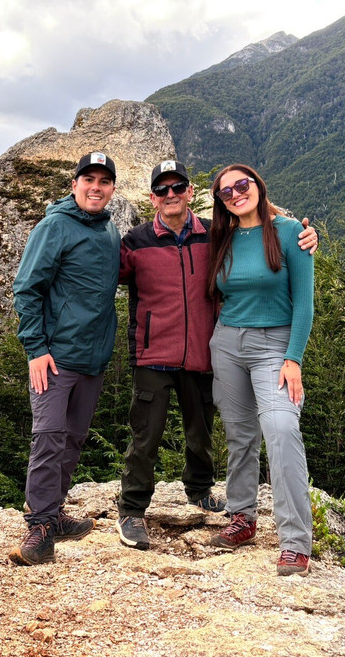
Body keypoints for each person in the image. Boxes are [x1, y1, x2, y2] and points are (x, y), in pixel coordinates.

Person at [116, 160, 317, 550]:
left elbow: (276, 250)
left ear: (191, 193)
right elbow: (100, 273)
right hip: (170, 351)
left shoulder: (216, 234)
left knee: (231, 431)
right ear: (154, 197)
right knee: (159, 436)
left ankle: (219, 501)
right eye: (163, 189)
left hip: (222, 350)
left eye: (179, 188)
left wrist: (308, 237)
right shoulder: (140, 240)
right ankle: (140, 510)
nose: (171, 195)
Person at [9, 151, 121, 566]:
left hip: (92, 358)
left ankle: (54, 513)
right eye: (88, 179)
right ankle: (39, 526)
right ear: (74, 185)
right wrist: (35, 349)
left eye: (104, 181)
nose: (96, 187)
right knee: (49, 436)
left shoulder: (109, 229)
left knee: (72, 439)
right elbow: (27, 289)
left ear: (111, 189)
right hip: (55, 359)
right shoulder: (55, 225)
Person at [205, 163, 315, 577]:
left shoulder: (289, 233)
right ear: (220, 202)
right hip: (228, 343)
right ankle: (243, 517)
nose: (235, 194)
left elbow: (304, 302)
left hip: (275, 346)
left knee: (282, 429)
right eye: (226, 192)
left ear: (257, 184)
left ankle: (295, 542)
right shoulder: (223, 236)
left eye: (242, 184)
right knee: (240, 434)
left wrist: (294, 358)